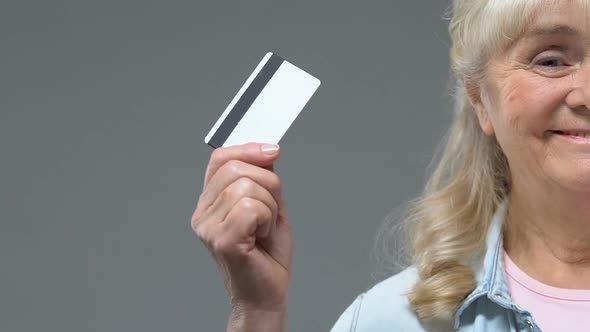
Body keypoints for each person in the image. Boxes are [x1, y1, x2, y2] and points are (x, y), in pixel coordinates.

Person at [191, 0, 590, 330]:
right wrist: (259, 314)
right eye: (551, 61)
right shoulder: (388, 322)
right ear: (481, 100)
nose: (586, 95)